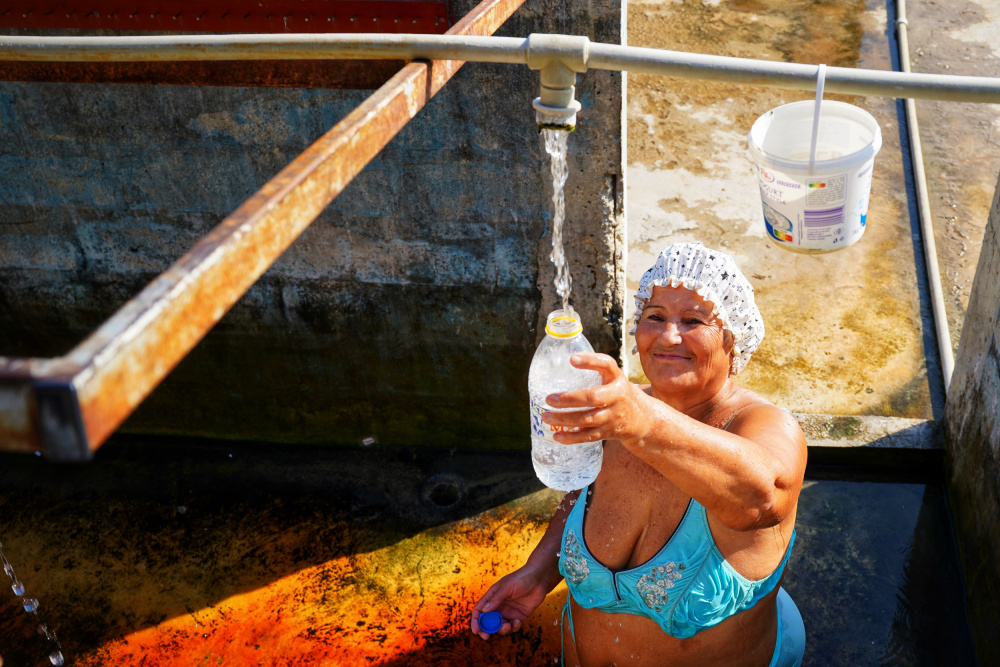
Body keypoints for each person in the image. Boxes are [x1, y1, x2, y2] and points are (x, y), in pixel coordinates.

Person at [471, 242, 808, 666]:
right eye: (655, 317)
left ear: (732, 341)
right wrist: (540, 571)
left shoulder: (764, 425)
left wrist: (642, 421)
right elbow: (582, 493)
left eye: (693, 321)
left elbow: (764, 497)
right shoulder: (620, 414)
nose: (669, 336)